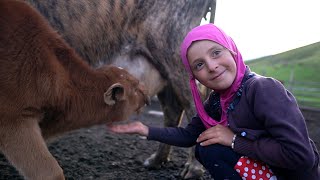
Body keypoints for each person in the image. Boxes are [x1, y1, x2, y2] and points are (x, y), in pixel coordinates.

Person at [107, 23, 320, 179]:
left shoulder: (263, 89)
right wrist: (145, 129)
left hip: (295, 175)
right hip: (266, 171)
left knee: (215, 147)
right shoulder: (218, 100)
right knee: (206, 146)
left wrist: (235, 141)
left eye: (216, 52)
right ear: (194, 77)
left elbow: (301, 157)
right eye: (199, 65)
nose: (211, 66)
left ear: (232, 50)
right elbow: (189, 135)